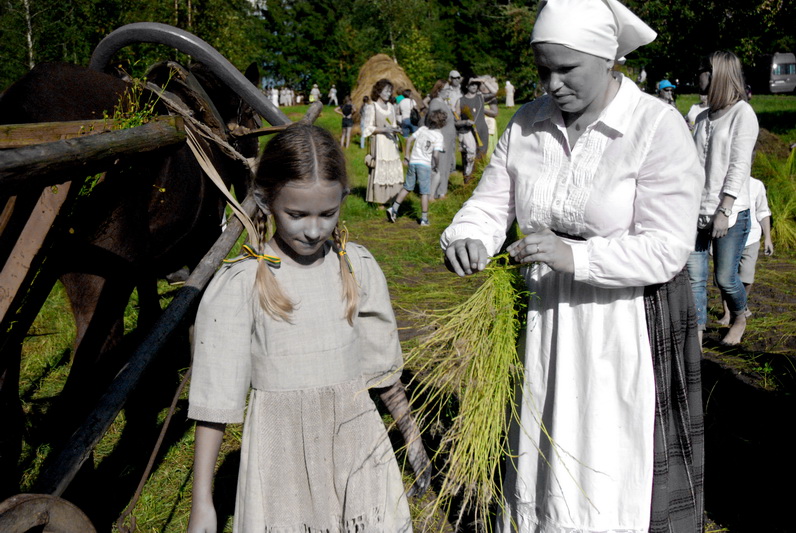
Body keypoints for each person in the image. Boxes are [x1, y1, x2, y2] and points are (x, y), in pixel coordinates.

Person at [440, 0, 705, 531]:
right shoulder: (528, 124)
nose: (553, 84)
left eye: (567, 69)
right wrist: (469, 235)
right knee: (541, 440)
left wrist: (575, 255)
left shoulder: (654, 126)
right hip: (542, 317)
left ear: (609, 60)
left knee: (605, 452)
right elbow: (493, 203)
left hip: (619, 324)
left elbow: (667, 247)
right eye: (543, 70)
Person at [186, 123, 428, 532]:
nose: (314, 229)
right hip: (282, 460)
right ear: (265, 201)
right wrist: (202, 504)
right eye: (296, 215)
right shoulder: (241, 284)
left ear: (342, 201)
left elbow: (383, 368)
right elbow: (214, 401)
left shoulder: (357, 267)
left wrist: (413, 440)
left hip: (357, 447)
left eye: (327, 214)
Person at [687, 50, 759, 346]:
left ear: (717, 75)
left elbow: (739, 165)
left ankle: (740, 316)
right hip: (695, 212)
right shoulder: (702, 117)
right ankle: (698, 333)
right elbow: (692, 165)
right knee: (694, 279)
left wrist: (725, 209)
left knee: (726, 278)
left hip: (729, 212)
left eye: (703, 71)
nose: (698, 76)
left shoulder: (743, 114)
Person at [718, 176, 773, 325]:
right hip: (727, 236)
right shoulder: (724, 182)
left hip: (752, 237)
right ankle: (728, 313)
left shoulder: (756, 185)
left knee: (747, 276)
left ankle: (740, 303)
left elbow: (763, 211)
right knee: (726, 276)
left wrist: (767, 237)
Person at [387, 109, 447, 226]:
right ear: (442, 123)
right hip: (424, 165)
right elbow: (435, 155)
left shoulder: (423, 129)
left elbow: (409, 140)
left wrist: (407, 156)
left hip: (413, 162)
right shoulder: (438, 136)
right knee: (425, 192)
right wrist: (436, 166)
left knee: (407, 187)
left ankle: (394, 209)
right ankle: (424, 219)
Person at [362, 79, 404, 204]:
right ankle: (379, 200)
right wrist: (384, 129)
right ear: (379, 91)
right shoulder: (372, 106)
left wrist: (397, 129)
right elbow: (366, 128)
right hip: (379, 143)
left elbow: (394, 124)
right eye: (386, 91)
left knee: (392, 170)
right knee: (380, 170)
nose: (389, 93)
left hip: (391, 143)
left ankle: (392, 199)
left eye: (390, 91)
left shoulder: (391, 107)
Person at [425, 80, 456, 200]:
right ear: (439, 90)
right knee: (439, 165)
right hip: (441, 140)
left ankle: (442, 191)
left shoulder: (443, 102)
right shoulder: (435, 103)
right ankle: (436, 192)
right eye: (447, 90)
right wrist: (438, 139)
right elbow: (433, 120)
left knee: (446, 164)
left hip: (447, 139)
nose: (449, 92)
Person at [455, 77, 488, 182]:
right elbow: (456, 121)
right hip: (468, 132)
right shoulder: (460, 101)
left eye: (476, 84)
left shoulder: (480, 97)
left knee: (481, 155)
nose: (474, 86)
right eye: (472, 84)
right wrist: (465, 122)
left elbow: (494, 92)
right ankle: (467, 180)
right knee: (468, 157)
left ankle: (477, 179)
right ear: (466, 86)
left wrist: (483, 81)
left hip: (482, 131)